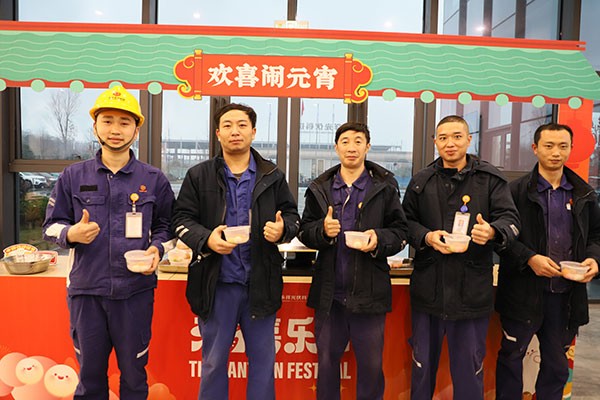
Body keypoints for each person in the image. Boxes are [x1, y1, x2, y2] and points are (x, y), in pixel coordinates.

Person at [42, 86, 175, 399]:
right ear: (95, 127)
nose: (115, 129)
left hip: (135, 293)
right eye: (107, 121)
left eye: (124, 122)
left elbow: (167, 226)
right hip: (87, 292)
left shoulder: (153, 179)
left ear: (136, 130)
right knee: (90, 379)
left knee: (135, 377)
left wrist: (157, 248)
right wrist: (70, 234)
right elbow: (50, 227)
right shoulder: (72, 176)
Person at [171, 103, 300, 400]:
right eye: (227, 125)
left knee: (263, 363)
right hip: (216, 284)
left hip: (261, 283)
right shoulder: (199, 175)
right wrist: (207, 239)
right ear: (218, 134)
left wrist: (282, 230)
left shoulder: (272, 175)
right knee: (214, 363)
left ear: (253, 132)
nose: (235, 131)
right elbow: (180, 218)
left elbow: (293, 217)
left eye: (242, 125)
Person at [401, 115, 520, 400]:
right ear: (435, 142)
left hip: (471, 294)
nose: (450, 143)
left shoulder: (490, 180)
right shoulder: (421, 181)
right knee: (421, 369)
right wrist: (427, 237)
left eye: (457, 137)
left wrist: (492, 231)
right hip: (428, 291)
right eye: (443, 138)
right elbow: (404, 223)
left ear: (469, 139)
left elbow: (511, 219)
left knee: (469, 372)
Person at [298, 122, 409, 400]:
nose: (351, 147)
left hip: (369, 295)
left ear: (367, 147)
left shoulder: (384, 187)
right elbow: (304, 230)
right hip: (329, 296)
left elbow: (400, 231)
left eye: (358, 141)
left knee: (371, 367)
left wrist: (378, 239)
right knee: (326, 365)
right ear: (336, 148)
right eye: (345, 141)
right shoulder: (320, 187)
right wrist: (322, 231)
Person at [495, 123, 600, 399]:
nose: (556, 152)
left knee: (556, 366)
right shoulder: (514, 192)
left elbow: (596, 235)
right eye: (549, 146)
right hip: (522, 294)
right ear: (535, 148)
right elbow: (502, 240)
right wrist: (529, 258)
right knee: (511, 359)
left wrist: (594, 260)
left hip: (565, 296)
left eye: (563, 146)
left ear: (571, 149)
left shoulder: (584, 194)